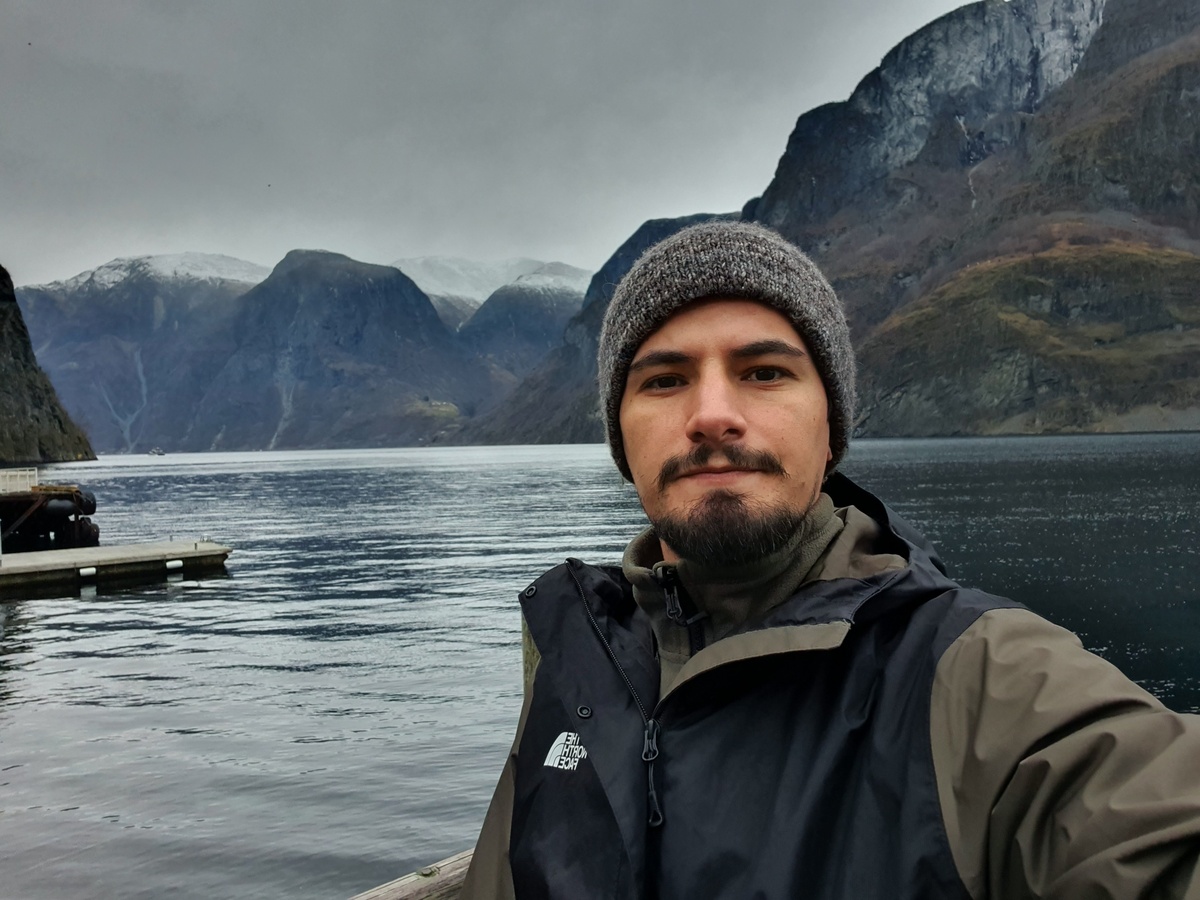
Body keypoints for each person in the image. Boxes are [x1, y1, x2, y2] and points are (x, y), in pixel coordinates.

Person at [459, 220, 1200, 899]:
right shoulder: (576, 670)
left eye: (764, 372)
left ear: (830, 431)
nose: (712, 414)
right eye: (664, 380)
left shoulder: (978, 680)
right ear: (623, 441)